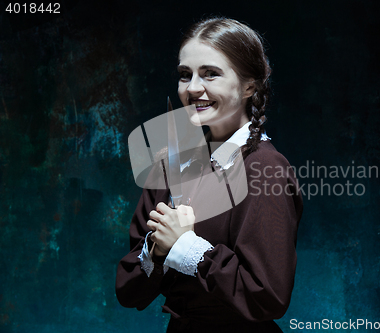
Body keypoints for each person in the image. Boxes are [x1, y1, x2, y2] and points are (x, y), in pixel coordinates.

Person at [116, 17, 303, 333]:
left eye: (210, 74)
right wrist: (157, 250)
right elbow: (128, 289)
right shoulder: (170, 166)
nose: (192, 88)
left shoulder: (264, 168)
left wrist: (187, 246)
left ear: (249, 86)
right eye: (185, 75)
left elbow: (268, 298)